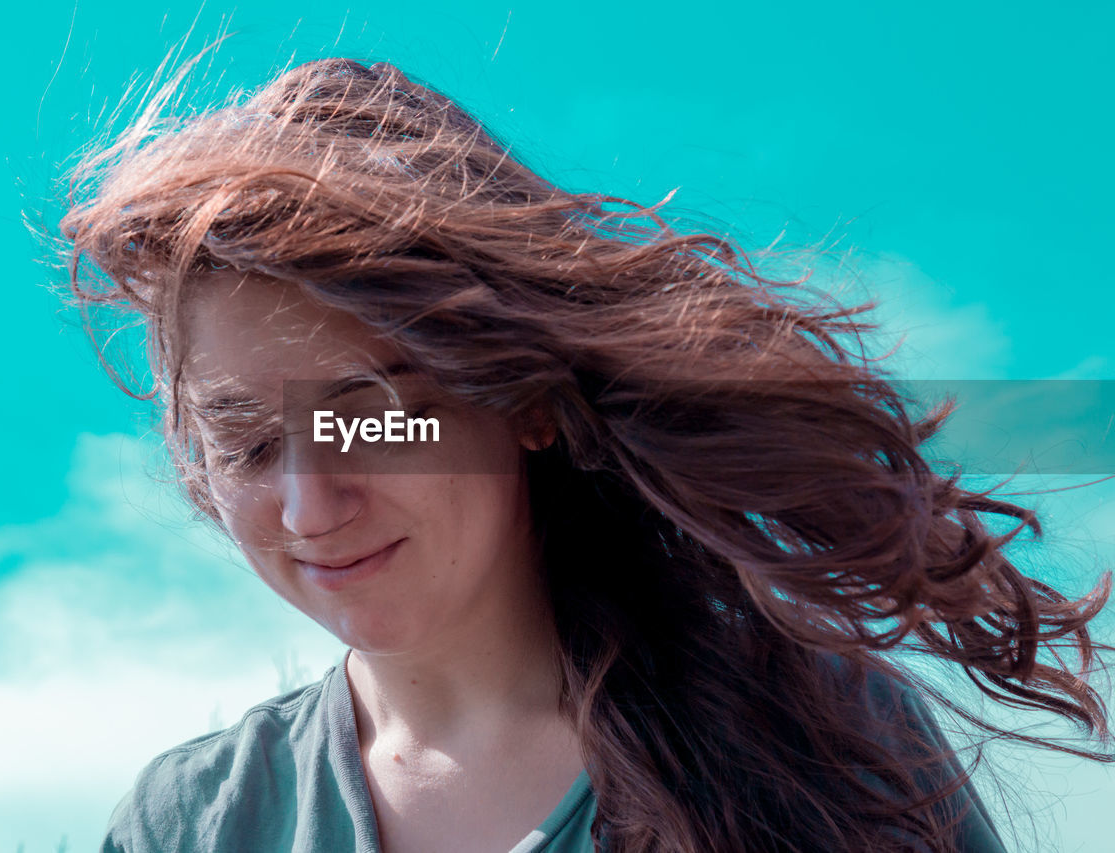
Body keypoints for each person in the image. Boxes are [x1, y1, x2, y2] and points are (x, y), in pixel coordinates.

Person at [55, 56, 1113, 852]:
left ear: (526, 402)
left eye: (372, 412)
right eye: (245, 441)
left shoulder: (819, 734)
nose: (307, 504)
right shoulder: (190, 823)